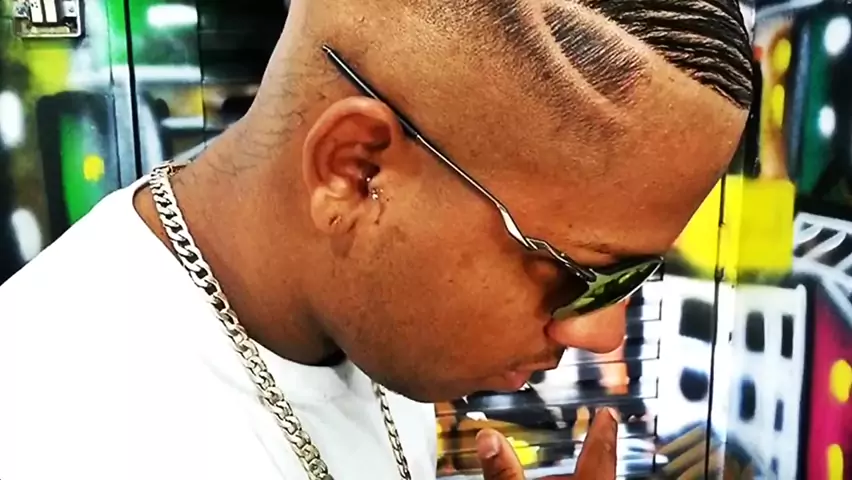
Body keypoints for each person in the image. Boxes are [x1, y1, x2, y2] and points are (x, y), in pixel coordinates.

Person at [0, 0, 752, 478]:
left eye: (636, 277)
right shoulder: (54, 432)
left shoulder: (373, 326)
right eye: (578, 274)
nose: (603, 333)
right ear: (356, 173)